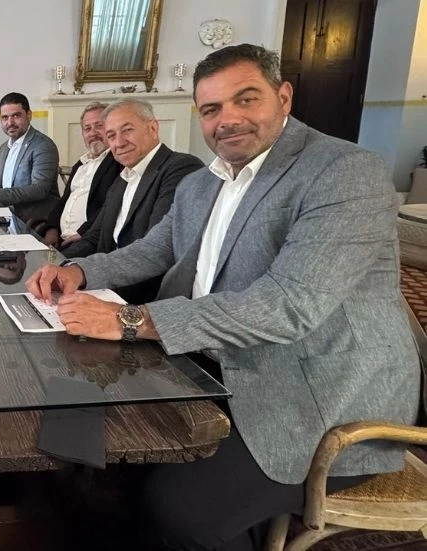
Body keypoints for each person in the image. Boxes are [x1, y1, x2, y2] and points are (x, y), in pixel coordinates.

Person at [26, 44, 419, 550]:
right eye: (211, 109)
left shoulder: (343, 171)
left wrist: (129, 320)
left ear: (283, 97)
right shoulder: (202, 182)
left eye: (246, 99)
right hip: (209, 363)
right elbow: (154, 249)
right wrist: (78, 270)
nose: (227, 119)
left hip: (316, 397)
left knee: (178, 511)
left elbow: (287, 306)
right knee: (77, 433)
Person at [63, 98, 204, 303]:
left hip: (146, 296)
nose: (119, 143)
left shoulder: (181, 168)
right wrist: (62, 263)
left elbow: (153, 252)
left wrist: (81, 273)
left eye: (127, 130)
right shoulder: (123, 178)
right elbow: (95, 235)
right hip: (107, 284)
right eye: (111, 135)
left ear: (153, 128)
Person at [0, 92, 61, 223]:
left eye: (16, 116)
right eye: (5, 117)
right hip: (6, 214)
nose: (10, 123)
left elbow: (39, 189)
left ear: (29, 115)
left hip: (34, 220)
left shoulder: (43, 146)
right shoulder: (4, 147)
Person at [38, 102, 123, 249]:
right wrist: (52, 229)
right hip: (62, 239)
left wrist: (83, 232)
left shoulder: (118, 162)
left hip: (89, 241)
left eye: (99, 126)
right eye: (87, 128)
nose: (93, 133)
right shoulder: (81, 164)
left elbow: (112, 206)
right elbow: (64, 201)